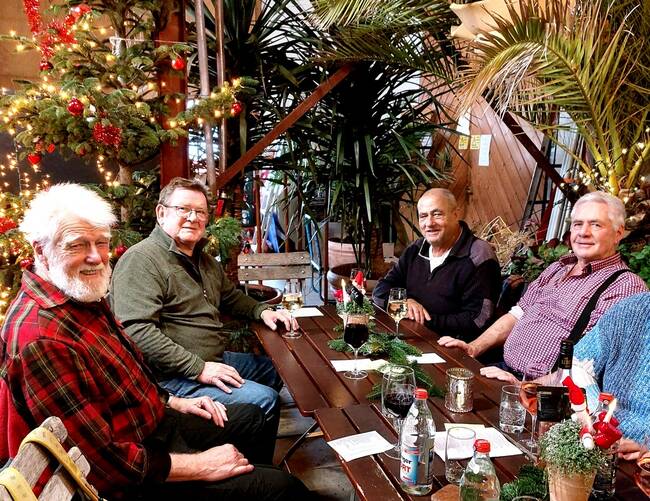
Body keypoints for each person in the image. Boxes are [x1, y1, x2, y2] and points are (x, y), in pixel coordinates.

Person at [0, 184, 308, 499]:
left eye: (102, 242)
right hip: (136, 470)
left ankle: (247, 475)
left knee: (253, 418)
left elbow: (128, 371)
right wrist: (201, 465)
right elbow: (100, 464)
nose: (95, 257)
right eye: (77, 245)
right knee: (284, 486)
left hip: (154, 420)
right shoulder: (41, 337)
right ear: (40, 250)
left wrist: (171, 401)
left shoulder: (80, 298)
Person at [110, 177, 294, 423]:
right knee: (264, 399)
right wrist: (198, 368)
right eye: (183, 209)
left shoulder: (204, 260)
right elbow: (136, 331)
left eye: (200, 212)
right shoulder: (142, 260)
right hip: (171, 376)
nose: (192, 217)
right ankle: (237, 446)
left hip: (212, 359)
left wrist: (261, 311)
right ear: (161, 213)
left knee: (278, 369)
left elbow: (230, 297)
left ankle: (242, 434)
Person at [439, 191, 648, 381]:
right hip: (503, 371)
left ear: (618, 233)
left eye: (596, 225)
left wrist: (526, 389)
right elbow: (517, 315)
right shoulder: (558, 268)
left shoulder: (624, 287)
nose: (583, 232)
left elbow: (589, 365)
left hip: (547, 394)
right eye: (577, 224)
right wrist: (473, 348)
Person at [372, 188, 501, 341]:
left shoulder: (479, 255)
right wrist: (404, 304)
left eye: (437, 214)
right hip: (409, 336)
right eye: (423, 216)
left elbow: (478, 320)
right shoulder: (416, 249)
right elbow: (380, 292)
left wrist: (422, 320)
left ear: (456, 214)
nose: (429, 223)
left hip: (450, 346)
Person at [570, 292, 650, 459]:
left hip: (641, 462)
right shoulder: (635, 308)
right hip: (601, 446)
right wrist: (598, 418)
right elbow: (579, 363)